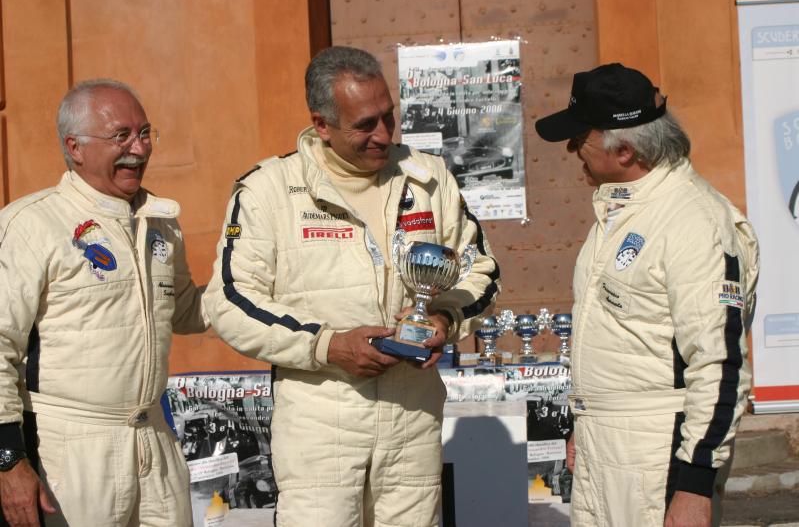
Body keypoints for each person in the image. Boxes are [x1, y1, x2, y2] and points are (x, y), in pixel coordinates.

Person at [203, 46, 499, 526]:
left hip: (412, 416)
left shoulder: (428, 179)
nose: (383, 135)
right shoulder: (269, 190)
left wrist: (444, 316)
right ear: (321, 124)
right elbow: (231, 302)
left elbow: (480, 269)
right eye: (365, 125)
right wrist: (327, 346)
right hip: (321, 422)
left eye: (389, 117)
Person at [535, 63, 759, 527]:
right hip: (608, 447)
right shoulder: (626, 209)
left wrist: (695, 485)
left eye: (580, 139)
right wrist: (589, 418)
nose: (573, 151)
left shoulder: (694, 221)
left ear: (626, 150)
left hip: (659, 456)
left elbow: (720, 365)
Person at [0, 79, 208, 526]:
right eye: (122, 136)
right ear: (74, 147)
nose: (140, 148)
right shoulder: (30, 225)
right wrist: (7, 461)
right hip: (69, 449)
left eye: (146, 133)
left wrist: (259, 281)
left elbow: (189, 310)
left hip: (154, 439)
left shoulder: (161, 223)